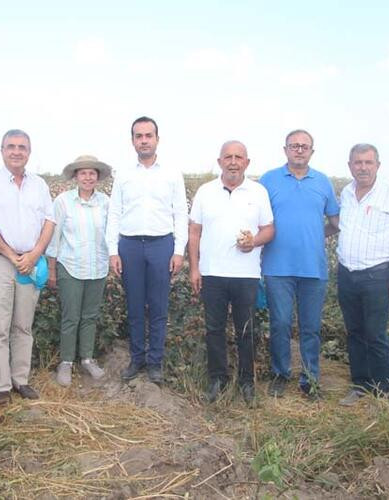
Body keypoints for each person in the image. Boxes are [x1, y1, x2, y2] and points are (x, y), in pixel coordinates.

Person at [0, 129, 55, 405]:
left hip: (30, 263)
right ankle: (0, 385)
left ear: (29, 152)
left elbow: (49, 223)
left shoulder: (39, 186)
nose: (16, 151)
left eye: (22, 147)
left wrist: (34, 255)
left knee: (23, 324)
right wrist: (11, 255)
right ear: (2, 150)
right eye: (11, 146)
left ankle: (21, 379)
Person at [188, 141, 274, 404]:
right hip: (212, 273)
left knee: (246, 330)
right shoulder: (205, 192)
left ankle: (247, 382)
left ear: (247, 162)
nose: (233, 161)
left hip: (246, 275)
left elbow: (269, 230)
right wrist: (194, 268)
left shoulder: (258, 192)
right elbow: (194, 232)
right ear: (220, 162)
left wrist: (254, 242)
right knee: (214, 329)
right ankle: (218, 379)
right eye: (228, 157)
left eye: (239, 157)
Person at [105, 116, 188, 384]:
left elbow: (180, 214)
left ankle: (155, 363)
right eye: (138, 136)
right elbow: (115, 213)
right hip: (129, 246)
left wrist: (178, 250)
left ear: (157, 139)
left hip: (160, 245)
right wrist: (113, 251)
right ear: (132, 141)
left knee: (159, 306)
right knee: (135, 306)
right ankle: (137, 358)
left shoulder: (172, 173)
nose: (144, 140)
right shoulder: (124, 174)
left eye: (148, 135)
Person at [260, 129, 339, 400]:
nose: (299, 150)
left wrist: (316, 234)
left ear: (312, 152)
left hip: (313, 269)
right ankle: (281, 374)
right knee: (280, 324)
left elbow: (336, 223)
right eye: (294, 146)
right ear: (285, 150)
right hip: (276, 268)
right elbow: (256, 219)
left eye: (304, 146)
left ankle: (310, 380)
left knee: (311, 327)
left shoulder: (323, 182)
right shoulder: (268, 180)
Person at [336, 144, 389, 406]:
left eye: (368, 162)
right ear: (350, 166)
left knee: (376, 333)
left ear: (378, 165)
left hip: (377, 276)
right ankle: (360, 385)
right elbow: (338, 227)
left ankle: (385, 390)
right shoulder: (346, 193)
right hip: (347, 274)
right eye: (358, 163)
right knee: (354, 331)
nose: (363, 167)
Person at [46, 155, 112, 387]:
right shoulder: (63, 202)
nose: (87, 177)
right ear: (75, 176)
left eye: (91, 173)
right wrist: (52, 269)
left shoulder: (105, 202)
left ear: (97, 177)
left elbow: (111, 235)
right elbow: (54, 237)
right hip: (70, 266)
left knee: (90, 316)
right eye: (83, 173)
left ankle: (87, 358)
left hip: (98, 267)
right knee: (71, 317)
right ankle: (65, 362)